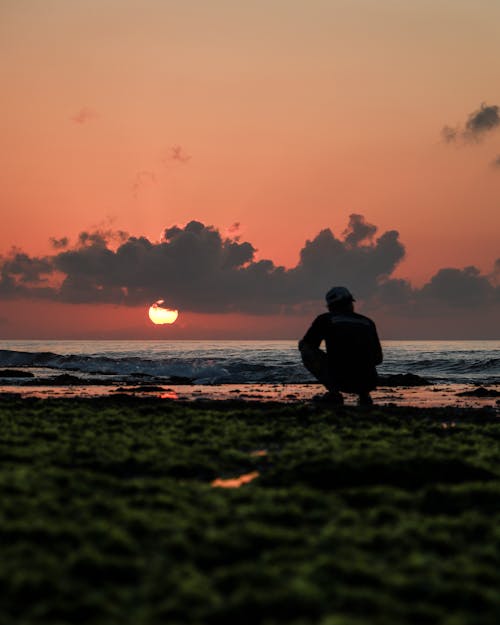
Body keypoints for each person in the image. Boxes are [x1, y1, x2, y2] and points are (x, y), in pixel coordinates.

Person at [299, 286, 383, 406]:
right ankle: (364, 396)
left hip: (340, 380)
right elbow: (378, 359)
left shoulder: (326, 319)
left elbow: (309, 344)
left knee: (305, 347)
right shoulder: (368, 322)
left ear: (330, 306)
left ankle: (334, 393)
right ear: (350, 303)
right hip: (369, 382)